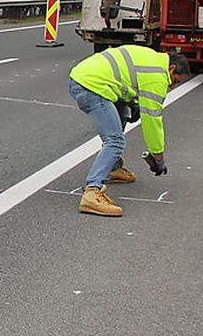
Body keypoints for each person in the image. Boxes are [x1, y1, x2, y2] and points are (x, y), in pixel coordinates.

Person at [67, 45, 192, 217]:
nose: (173, 86)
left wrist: (132, 103)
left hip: (86, 78)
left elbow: (125, 78)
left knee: (122, 116)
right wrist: (158, 157)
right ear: (171, 69)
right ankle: (92, 193)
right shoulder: (158, 76)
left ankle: (113, 168)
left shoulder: (153, 57)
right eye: (176, 80)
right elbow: (152, 119)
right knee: (115, 140)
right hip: (92, 87)